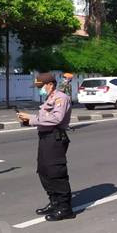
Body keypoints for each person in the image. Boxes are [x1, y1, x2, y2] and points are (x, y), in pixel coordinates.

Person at [17, 72, 75, 221]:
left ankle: (65, 208)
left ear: (50, 85)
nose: (39, 90)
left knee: (56, 172)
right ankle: (54, 202)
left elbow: (56, 118)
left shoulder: (61, 98)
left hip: (55, 138)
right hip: (45, 138)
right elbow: (43, 119)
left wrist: (31, 118)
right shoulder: (49, 98)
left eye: (40, 86)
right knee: (43, 171)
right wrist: (26, 120)